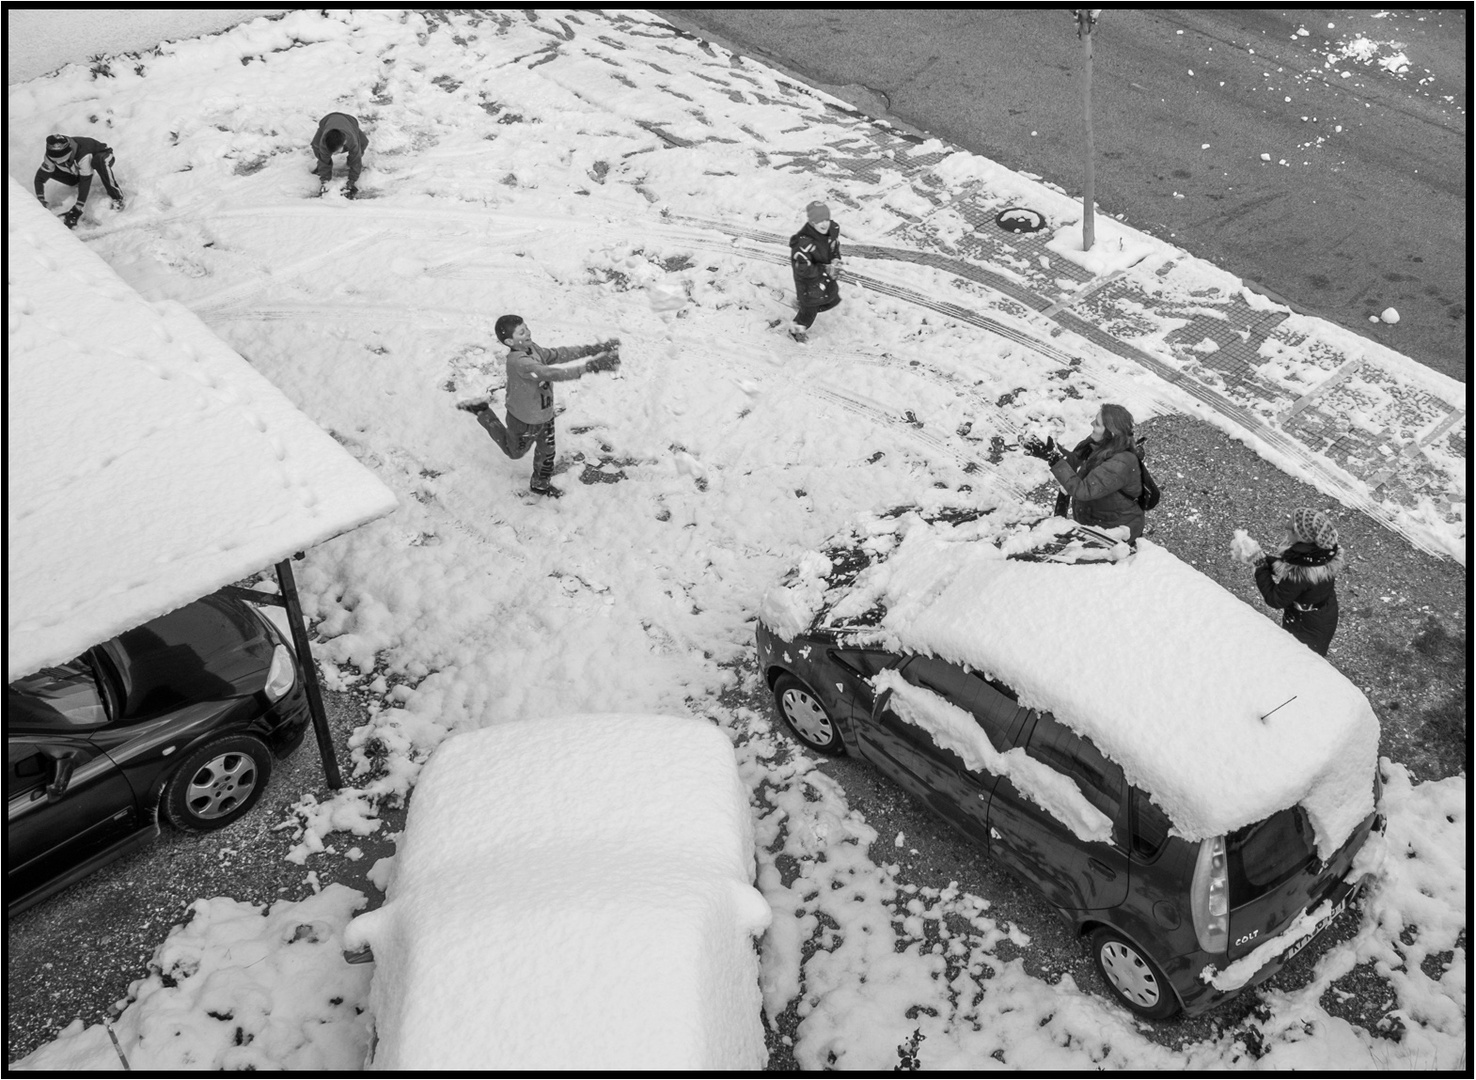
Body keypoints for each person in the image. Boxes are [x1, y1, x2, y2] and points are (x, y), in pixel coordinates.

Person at [457, 315, 620, 498]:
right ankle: (482, 411)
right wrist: (590, 367)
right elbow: (549, 373)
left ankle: (540, 485)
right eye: (522, 331)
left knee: (547, 452)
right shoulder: (519, 362)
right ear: (510, 341)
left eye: (526, 328)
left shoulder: (533, 349)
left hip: (545, 414)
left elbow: (559, 354)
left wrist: (592, 349)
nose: (528, 332)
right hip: (523, 420)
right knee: (514, 452)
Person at [1022, 403, 1144, 539]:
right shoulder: (1098, 444)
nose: (1092, 424)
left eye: (1097, 424)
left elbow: (1083, 491)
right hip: (1094, 525)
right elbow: (1074, 462)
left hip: (1115, 532)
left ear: (1111, 433)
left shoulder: (1121, 463)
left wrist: (1054, 459)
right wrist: (1050, 450)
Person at [1252, 508, 1343, 656]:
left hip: (1305, 625)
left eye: (1292, 528)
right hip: (1324, 612)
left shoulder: (1302, 572)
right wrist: (1266, 560)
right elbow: (1290, 569)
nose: (1286, 527)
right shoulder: (1321, 553)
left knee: (1300, 659)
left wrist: (1259, 566)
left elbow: (1275, 599)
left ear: (1303, 537)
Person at [34, 134, 125, 229]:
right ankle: (74, 181)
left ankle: (118, 197)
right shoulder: (50, 156)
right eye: (56, 161)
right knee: (50, 170)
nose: (59, 162)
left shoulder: (83, 154)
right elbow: (40, 177)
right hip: (75, 167)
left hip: (104, 155)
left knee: (99, 161)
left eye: (61, 160)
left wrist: (77, 208)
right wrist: (41, 200)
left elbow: (86, 181)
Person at [788, 200, 842, 342]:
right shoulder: (804, 243)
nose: (824, 224)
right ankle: (796, 330)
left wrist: (836, 259)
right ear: (812, 222)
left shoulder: (832, 231)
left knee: (832, 299)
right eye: (819, 221)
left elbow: (834, 248)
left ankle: (803, 306)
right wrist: (825, 268)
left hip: (824, 279)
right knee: (810, 311)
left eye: (826, 220)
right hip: (808, 281)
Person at [311, 112, 369, 197]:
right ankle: (319, 168)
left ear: (344, 143)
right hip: (328, 121)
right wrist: (325, 181)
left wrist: (351, 181)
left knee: (363, 143)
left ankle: (349, 162)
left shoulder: (352, 141)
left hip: (349, 122)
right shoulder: (324, 143)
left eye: (336, 152)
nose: (334, 154)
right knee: (316, 146)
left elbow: (356, 161)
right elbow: (324, 162)